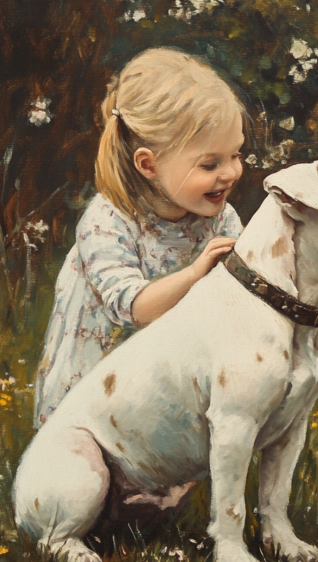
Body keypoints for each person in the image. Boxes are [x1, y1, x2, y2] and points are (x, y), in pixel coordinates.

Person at [34, 47, 247, 428]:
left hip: (167, 384)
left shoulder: (222, 220)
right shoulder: (109, 220)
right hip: (99, 390)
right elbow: (130, 307)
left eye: (236, 154)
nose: (230, 173)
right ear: (149, 164)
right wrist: (197, 274)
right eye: (210, 163)